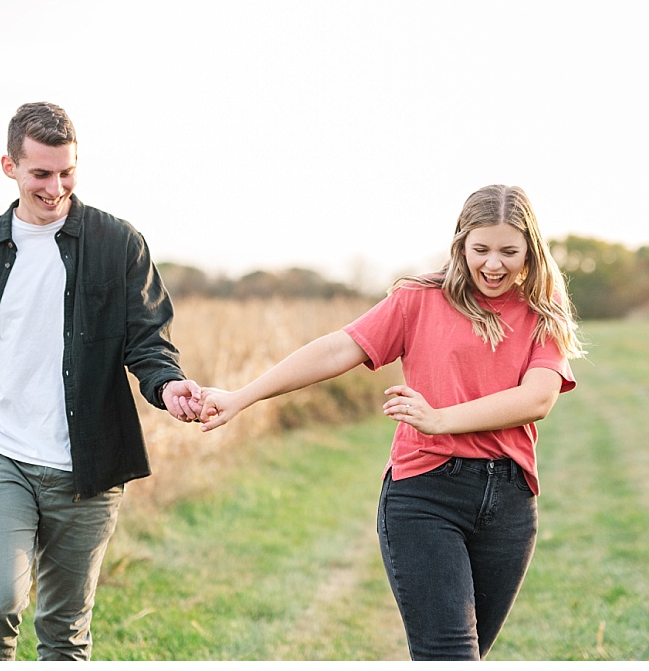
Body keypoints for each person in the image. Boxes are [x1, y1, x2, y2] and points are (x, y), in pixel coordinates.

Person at [198, 184, 585, 660]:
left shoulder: (542, 311)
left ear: (530, 250)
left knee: (466, 657)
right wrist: (242, 396)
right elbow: (340, 347)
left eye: (509, 251)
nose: (493, 264)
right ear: (461, 243)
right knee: (450, 656)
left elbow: (538, 397)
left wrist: (441, 418)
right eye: (481, 249)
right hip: (426, 494)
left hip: (509, 505)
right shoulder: (419, 299)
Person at [0, 101, 203, 661]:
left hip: (86, 466)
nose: (55, 187)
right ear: (9, 166)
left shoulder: (118, 243)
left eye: (67, 171)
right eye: (40, 173)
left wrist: (168, 387)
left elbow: (148, 341)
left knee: (64, 633)